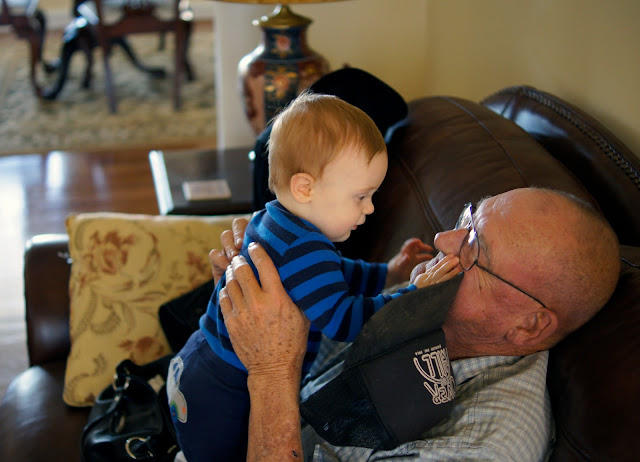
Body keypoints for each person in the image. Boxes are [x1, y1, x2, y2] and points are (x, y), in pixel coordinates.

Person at [215, 187, 621, 461]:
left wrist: (272, 373)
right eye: (467, 218)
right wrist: (243, 295)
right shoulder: (429, 309)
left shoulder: (483, 444)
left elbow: (280, 366)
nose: (443, 239)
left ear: (528, 326)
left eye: (474, 247)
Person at [167, 91, 458, 462]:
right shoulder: (305, 247)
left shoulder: (274, 220)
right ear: (305, 188)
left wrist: (389, 273)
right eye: (361, 196)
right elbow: (344, 320)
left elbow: (333, 275)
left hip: (199, 362)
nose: (370, 208)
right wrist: (411, 296)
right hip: (225, 391)